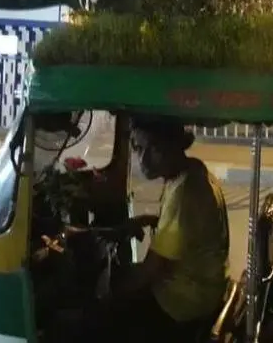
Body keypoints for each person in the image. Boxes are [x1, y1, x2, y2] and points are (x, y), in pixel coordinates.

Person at [82, 118, 231, 341]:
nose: (143, 159)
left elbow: (152, 269)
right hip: (203, 288)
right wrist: (148, 220)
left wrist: (112, 293)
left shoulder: (185, 194)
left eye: (154, 148)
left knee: (97, 319)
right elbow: (188, 228)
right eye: (138, 148)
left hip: (183, 301)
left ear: (175, 144)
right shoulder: (192, 170)